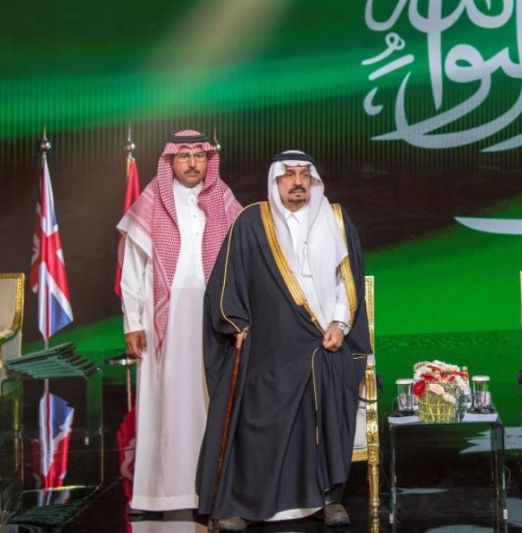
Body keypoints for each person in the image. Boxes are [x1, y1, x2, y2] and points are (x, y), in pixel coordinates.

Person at [197, 151, 369, 531]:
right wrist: (235, 323)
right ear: (275, 181)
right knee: (257, 417)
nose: (297, 182)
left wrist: (340, 325)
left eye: (304, 174)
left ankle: (328, 498)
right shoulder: (251, 222)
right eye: (289, 175)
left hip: (325, 342)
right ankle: (245, 502)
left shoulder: (336, 219)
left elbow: (348, 283)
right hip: (269, 344)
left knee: (328, 411)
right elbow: (226, 282)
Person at [117, 129, 242, 513]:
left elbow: (242, 261)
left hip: (213, 316)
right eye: (183, 156)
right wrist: (132, 322)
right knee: (166, 399)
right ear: (170, 161)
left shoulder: (222, 199)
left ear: (208, 160)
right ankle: (163, 492)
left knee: (211, 397)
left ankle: (214, 487)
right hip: (164, 318)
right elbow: (132, 268)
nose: (192, 163)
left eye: (198, 155)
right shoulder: (152, 200)